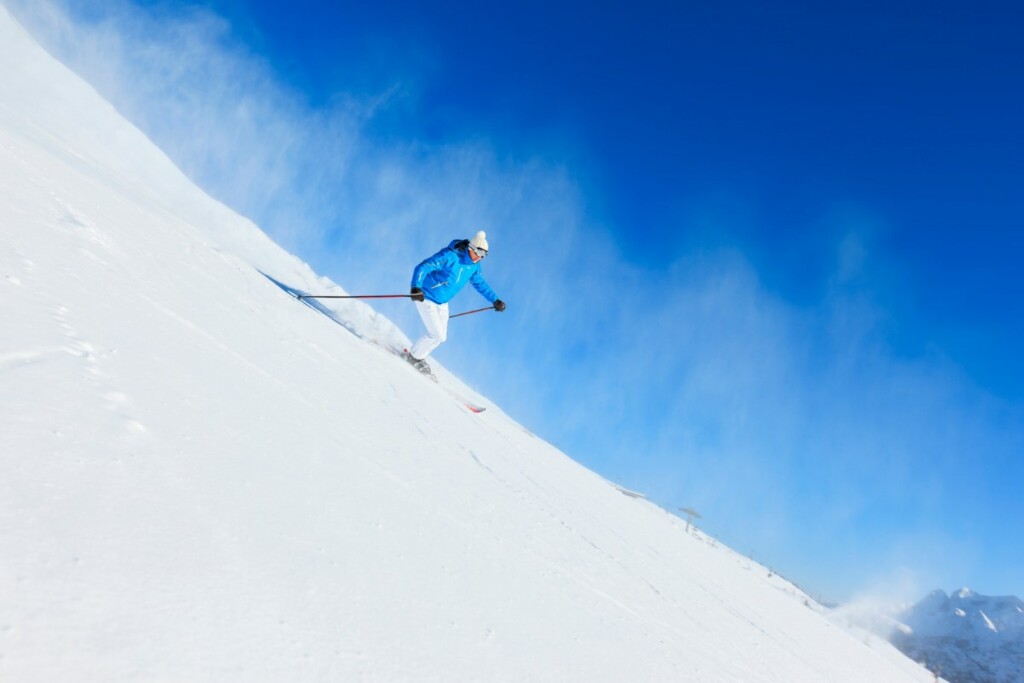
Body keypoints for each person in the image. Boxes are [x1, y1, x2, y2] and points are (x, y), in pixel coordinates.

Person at [403, 231, 505, 374]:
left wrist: (495, 299)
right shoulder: (450, 256)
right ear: (472, 248)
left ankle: (417, 356)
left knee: (442, 337)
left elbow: (480, 283)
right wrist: (416, 286)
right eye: (479, 253)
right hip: (426, 296)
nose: (480, 258)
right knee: (436, 335)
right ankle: (414, 357)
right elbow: (424, 266)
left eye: (484, 256)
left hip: (443, 303)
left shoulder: (474, 266)